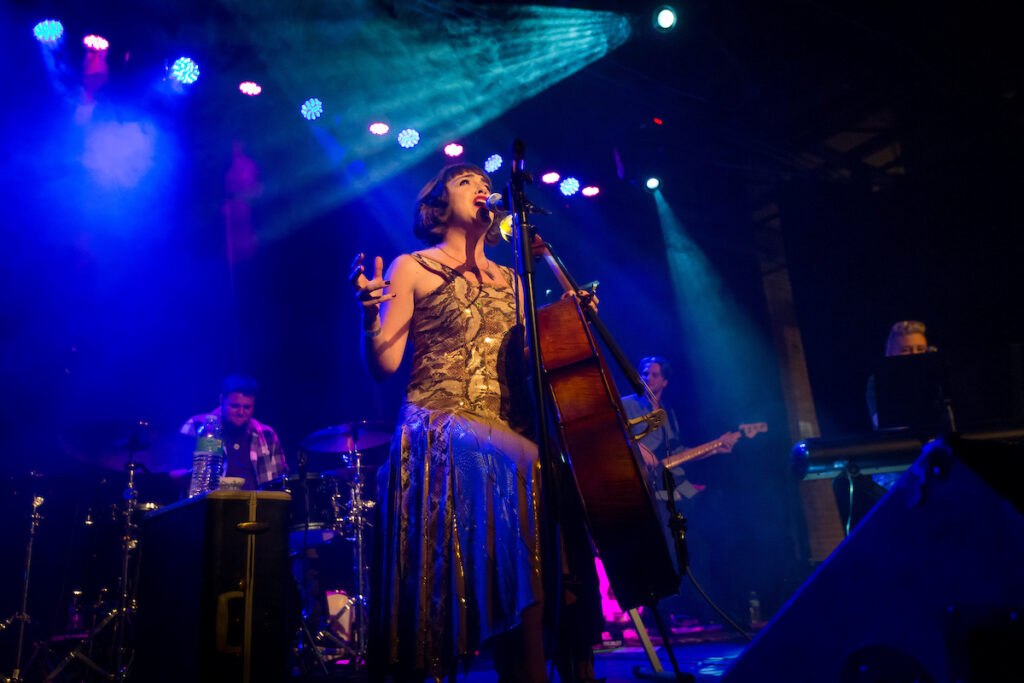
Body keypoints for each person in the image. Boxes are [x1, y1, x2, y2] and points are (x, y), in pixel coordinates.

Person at [351, 163, 600, 683]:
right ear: (437, 207)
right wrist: (371, 317)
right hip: (438, 424)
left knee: (544, 481)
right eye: (465, 183)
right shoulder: (412, 266)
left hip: (508, 435)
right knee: (525, 461)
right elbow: (384, 366)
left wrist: (571, 320)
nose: (482, 188)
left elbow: (534, 362)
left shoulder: (515, 281)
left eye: (484, 184)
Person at [179, 373, 288, 489]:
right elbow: (175, 473)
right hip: (209, 504)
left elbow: (279, 482)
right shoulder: (197, 426)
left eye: (247, 407)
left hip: (256, 505)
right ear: (221, 400)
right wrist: (201, 476)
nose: (241, 412)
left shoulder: (267, 435)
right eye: (234, 406)